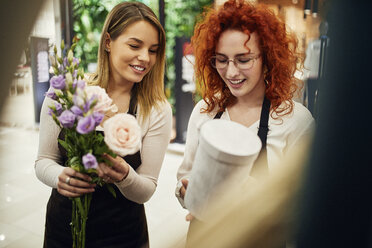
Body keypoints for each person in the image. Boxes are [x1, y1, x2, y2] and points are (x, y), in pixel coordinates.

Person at [175, 0, 315, 244]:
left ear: (267, 58)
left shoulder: (296, 121)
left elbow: (306, 207)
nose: (231, 72)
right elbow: (185, 177)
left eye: (243, 59)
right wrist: (188, 192)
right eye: (221, 59)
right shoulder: (205, 112)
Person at [35, 2, 172, 247]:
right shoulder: (69, 91)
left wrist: (124, 176)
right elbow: (43, 161)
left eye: (153, 50)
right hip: (63, 230)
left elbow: (146, 189)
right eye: (134, 45)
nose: (145, 58)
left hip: (124, 235)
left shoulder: (156, 109)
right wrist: (61, 176)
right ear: (108, 41)